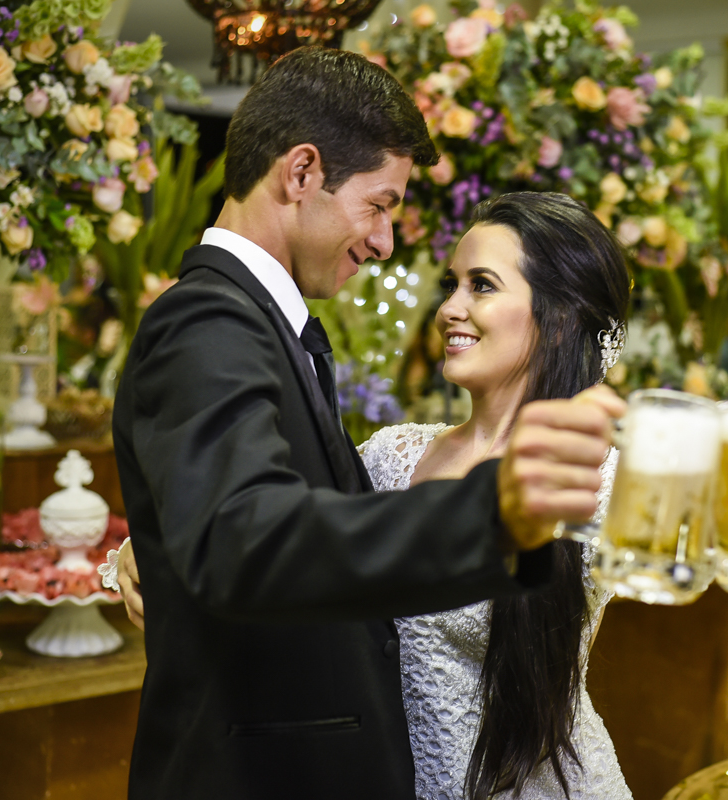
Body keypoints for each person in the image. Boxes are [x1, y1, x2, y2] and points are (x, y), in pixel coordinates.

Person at [110, 49, 622, 800]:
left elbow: (258, 509)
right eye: (379, 204)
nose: (384, 241)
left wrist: (164, 537)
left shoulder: (267, 327)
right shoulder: (210, 323)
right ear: (302, 173)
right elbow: (243, 536)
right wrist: (492, 510)